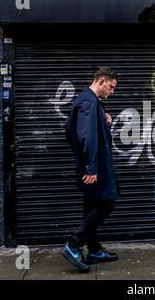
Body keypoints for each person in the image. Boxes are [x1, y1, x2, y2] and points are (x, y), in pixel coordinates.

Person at [61, 67, 120, 272]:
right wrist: (90, 167)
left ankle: (94, 250)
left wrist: (105, 123)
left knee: (92, 205)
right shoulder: (88, 101)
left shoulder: (91, 102)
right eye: (111, 87)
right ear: (101, 81)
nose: (112, 92)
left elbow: (72, 129)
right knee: (107, 203)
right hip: (96, 167)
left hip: (93, 165)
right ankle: (73, 244)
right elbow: (85, 136)